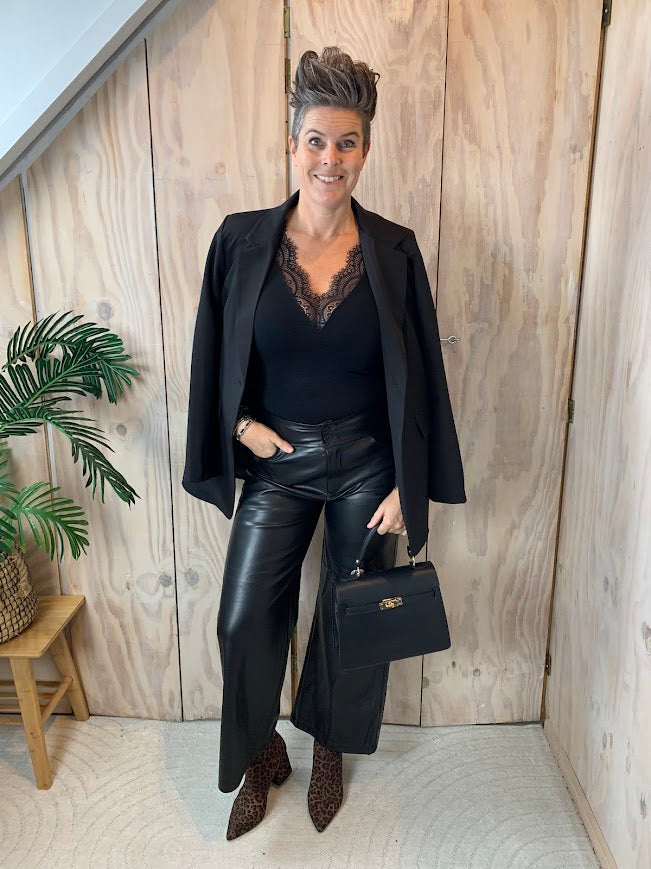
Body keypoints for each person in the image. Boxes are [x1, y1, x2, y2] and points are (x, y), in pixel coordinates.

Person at [182, 46, 466, 840]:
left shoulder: (394, 249)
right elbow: (211, 354)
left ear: (365, 149)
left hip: (368, 465)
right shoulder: (239, 242)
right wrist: (240, 426)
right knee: (242, 620)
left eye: (346, 142)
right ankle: (262, 750)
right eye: (315, 140)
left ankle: (330, 746)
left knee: (353, 619)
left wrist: (406, 483)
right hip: (280, 465)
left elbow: (419, 376)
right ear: (292, 142)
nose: (328, 158)